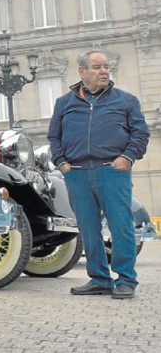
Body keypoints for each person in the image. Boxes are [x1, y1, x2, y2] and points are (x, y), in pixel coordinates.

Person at [48, 50, 150, 300]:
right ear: (82, 71)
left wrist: (127, 157)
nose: (103, 71)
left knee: (121, 225)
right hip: (77, 173)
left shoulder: (126, 100)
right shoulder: (64, 103)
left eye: (105, 66)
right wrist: (61, 162)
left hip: (112, 171)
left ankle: (126, 279)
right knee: (88, 228)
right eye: (96, 67)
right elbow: (54, 136)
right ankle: (99, 279)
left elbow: (140, 133)